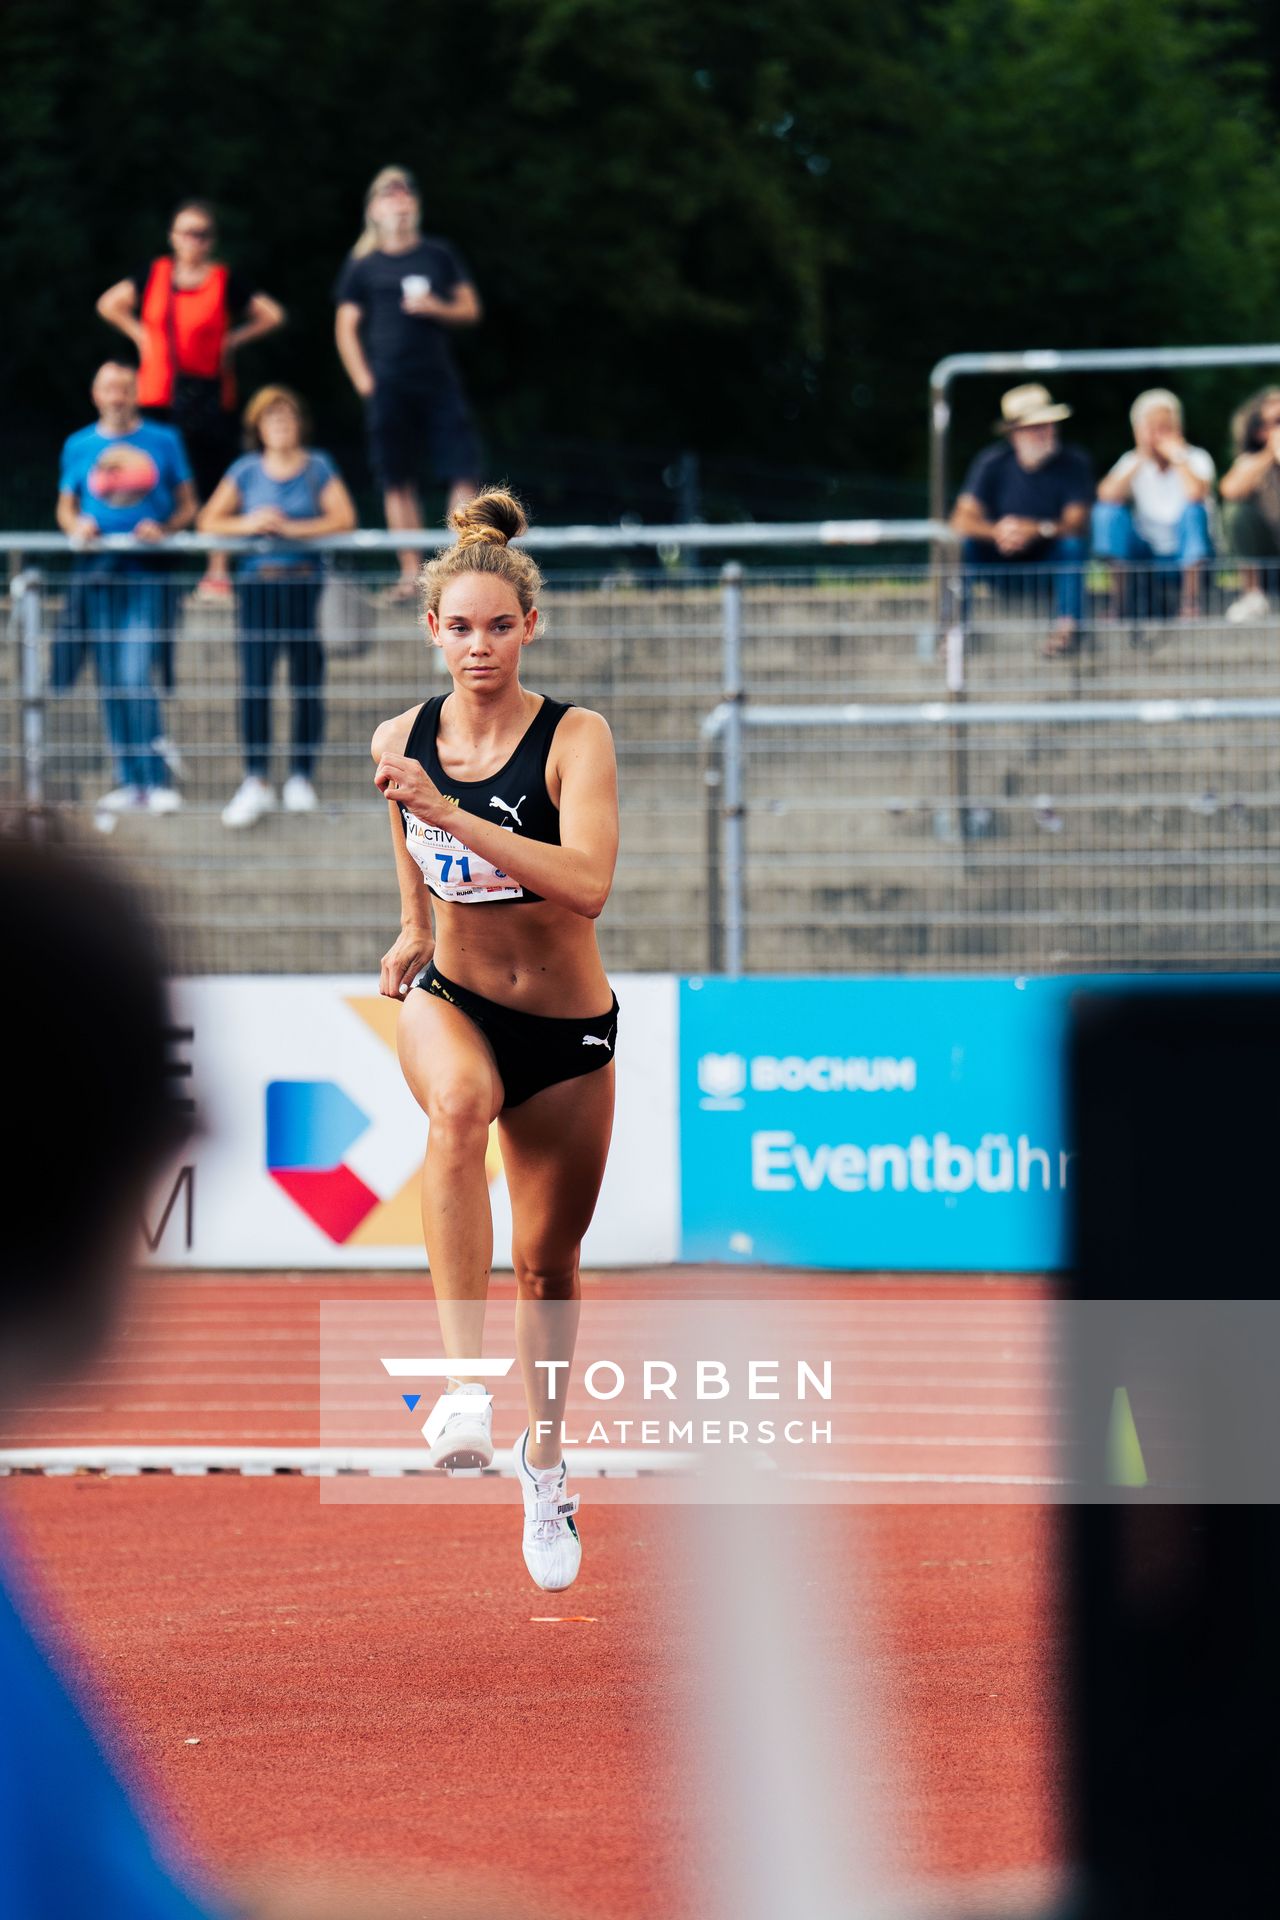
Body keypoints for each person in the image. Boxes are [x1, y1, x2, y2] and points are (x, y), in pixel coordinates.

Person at [370, 490, 619, 1592]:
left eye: (497, 627)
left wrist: (454, 812)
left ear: (530, 629)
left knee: (547, 1265)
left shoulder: (575, 737)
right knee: (455, 1107)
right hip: (453, 999)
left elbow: (587, 886)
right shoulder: (397, 742)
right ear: (432, 629)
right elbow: (406, 839)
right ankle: (460, 1386)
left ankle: (544, 1461)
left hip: (565, 1028)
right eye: (459, 627)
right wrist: (414, 927)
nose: (478, 646)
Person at [96, 199, 285, 603]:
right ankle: (153, 564)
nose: (192, 240)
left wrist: (233, 339)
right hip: (158, 395)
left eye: (200, 233)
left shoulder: (223, 280)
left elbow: (271, 314)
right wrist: (139, 334)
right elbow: (109, 303)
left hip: (209, 395)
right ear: (172, 236)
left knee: (214, 480)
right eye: (185, 232)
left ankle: (215, 571)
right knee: (155, 477)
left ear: (211, 240)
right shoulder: (153, 274)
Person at [198, 386, 357, 828]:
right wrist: (250, 523)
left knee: (307, 682)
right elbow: (210, 520)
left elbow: (343, 519)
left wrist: (292, 529)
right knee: (255, 682)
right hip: (257, 589)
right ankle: (256, 778)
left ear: (298, 424)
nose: (280, 425)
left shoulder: (318, 466)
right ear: (259, 427)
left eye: (287, 417)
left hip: (306, 587)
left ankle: (301, 775)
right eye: (271, 418)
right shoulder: (246, 471)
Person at [334, 165, 482, 604]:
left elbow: (470, 309)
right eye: (389, 193)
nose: (399, 200)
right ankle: (411, 575)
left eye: (404, 192)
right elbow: (345, 327)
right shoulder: (362, 265)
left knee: (463, 469)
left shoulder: (438, 254)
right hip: (389, 387)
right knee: (396, 477)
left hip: (438, 381)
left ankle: (461, 566)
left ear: (414, 204)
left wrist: (436, 306)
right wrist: (364, 381)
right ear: (374, 209)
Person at [56, 361, 197, 820]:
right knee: (110, 679)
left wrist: (165, 528)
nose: (117, 396)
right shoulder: (78, 444)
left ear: (136, 392)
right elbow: (66, 507)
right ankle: (128, 779)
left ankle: (154, 778)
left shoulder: (163, 440)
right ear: (96, 394)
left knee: (136, 673)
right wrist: (78, 525)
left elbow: (187, 505)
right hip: (98, 572)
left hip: (148, 572)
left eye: (124, 388)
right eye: (108, 389)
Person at [950, 383, 1094, 656]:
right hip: (999, 565)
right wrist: (999, 532)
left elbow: (1077, 523)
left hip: (1048, 568)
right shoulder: (991, 463)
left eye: (1050, 424)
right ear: (1015, 433)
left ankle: (1067, 629)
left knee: (1072, 546)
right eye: (1037, 426)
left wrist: (1038, 530)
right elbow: (960, 520)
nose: (1048, 432)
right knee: (962, 546)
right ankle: (955, 628)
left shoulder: (1074, 463)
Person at [1093, 389, 1214, 621]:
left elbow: (1196, 493)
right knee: (1107, 513)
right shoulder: (1132, 461)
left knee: (1193, 511)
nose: (1159, 435)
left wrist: (1177, 457)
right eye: (1151, 428)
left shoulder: (1196, 458)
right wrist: (1140, 457)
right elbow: (1106, 495)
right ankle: (1118, 603)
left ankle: (1190, 603)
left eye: (1165, 427)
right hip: (1147, 552)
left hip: (1186, 551)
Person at [1218, 386, 1280, 623]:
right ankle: (1252, 594)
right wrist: (1270, 455)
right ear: (1259, 431)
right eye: (1276, 421)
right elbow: (1230, 490)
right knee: (1237, 511)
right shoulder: (1251, 461)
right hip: (1270, 554)